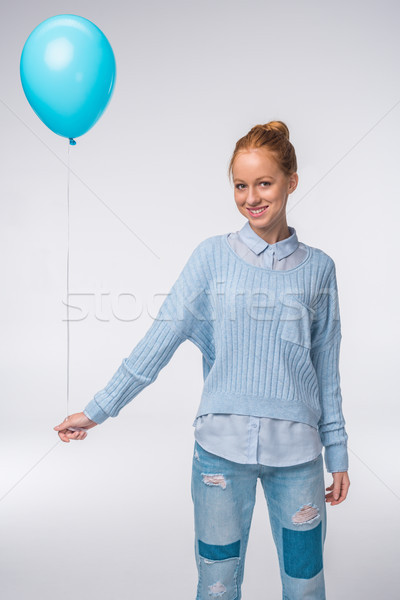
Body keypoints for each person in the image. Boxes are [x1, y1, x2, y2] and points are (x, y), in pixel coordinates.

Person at [54, 120, 350, 600]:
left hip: (298, 459)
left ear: (291, 182)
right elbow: (160, 339)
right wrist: (98, 409)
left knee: (306, 585)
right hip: (219, 456)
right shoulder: (210, 258)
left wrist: (336, 451)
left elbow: (326, 368)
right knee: (216, 587)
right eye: (239, 185)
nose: (251, 197)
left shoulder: (320, 269)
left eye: (264, 183)